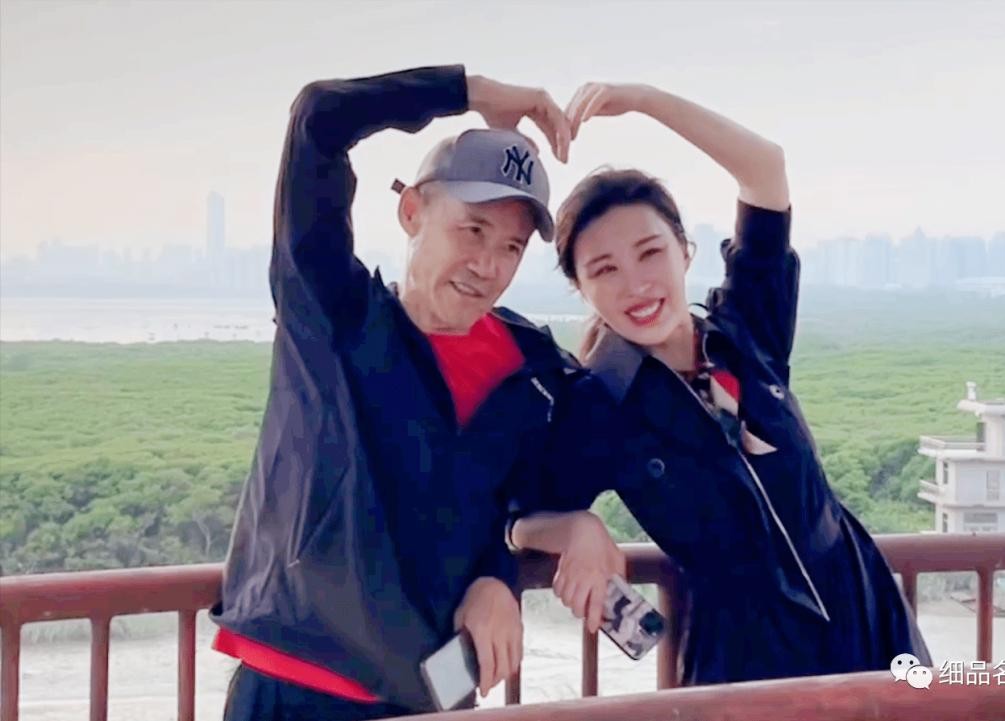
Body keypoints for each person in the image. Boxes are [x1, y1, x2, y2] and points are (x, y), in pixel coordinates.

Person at [510, 82, 932, 685]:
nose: (636, 284)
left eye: (650, 253)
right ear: (583, 289)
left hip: (867, 623)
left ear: (684, 252)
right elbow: (517, 515)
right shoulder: (601, 403)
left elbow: (765, 170)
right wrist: (576, 528)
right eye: (605, 269)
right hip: (746, 659)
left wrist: (643, 100)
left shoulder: (746, 330)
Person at [210, 65, 579, 720]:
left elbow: (513, 506)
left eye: (512, 247)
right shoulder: (332, 315)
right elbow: (320, 116)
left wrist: (500, 576)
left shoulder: (531, 373)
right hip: (294, 689)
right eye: (472, 230)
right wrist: (472, 92)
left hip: (429, 699)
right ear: (412, 211)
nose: (488, 265)